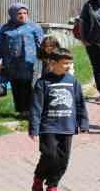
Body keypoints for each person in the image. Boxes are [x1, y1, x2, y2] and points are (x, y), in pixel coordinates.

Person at [30, 48, 89, 191]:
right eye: (65, 63)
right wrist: (34, 128)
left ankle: (52, 185)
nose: (68, 66)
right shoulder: (43, 82)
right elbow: (36, 107)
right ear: (53, 63)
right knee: (49, 155)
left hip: (67, 127)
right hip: (48, 127)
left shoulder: (73, 82)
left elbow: (80, 103)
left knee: (63, 160)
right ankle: (38, 178)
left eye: (70, 63)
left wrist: (83, 123)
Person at [0, 2, 44, 118]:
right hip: (11, 64)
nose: (23, 15)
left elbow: (41, 45)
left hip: (30, 64)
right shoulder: (5, 29)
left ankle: (31, 111)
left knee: (29, 86)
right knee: (16, 87)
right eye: (19, 13)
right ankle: (21, 111)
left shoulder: (34, 27)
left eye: (25, 13)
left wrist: (45, 61)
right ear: (12, 14)